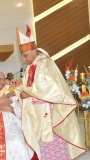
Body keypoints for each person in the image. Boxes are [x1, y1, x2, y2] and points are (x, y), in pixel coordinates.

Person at [9, 25, 87, 159]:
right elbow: (25, 85)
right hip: (39, 115)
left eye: (26, 55)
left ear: (34, 50)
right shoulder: (30, 68)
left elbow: (50, 88)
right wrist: (14, 92)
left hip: (50, 115)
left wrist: (28, 94)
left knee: (54, 146)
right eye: (23, 56)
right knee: (43, 148)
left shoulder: (46, 64)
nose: (25, 59)